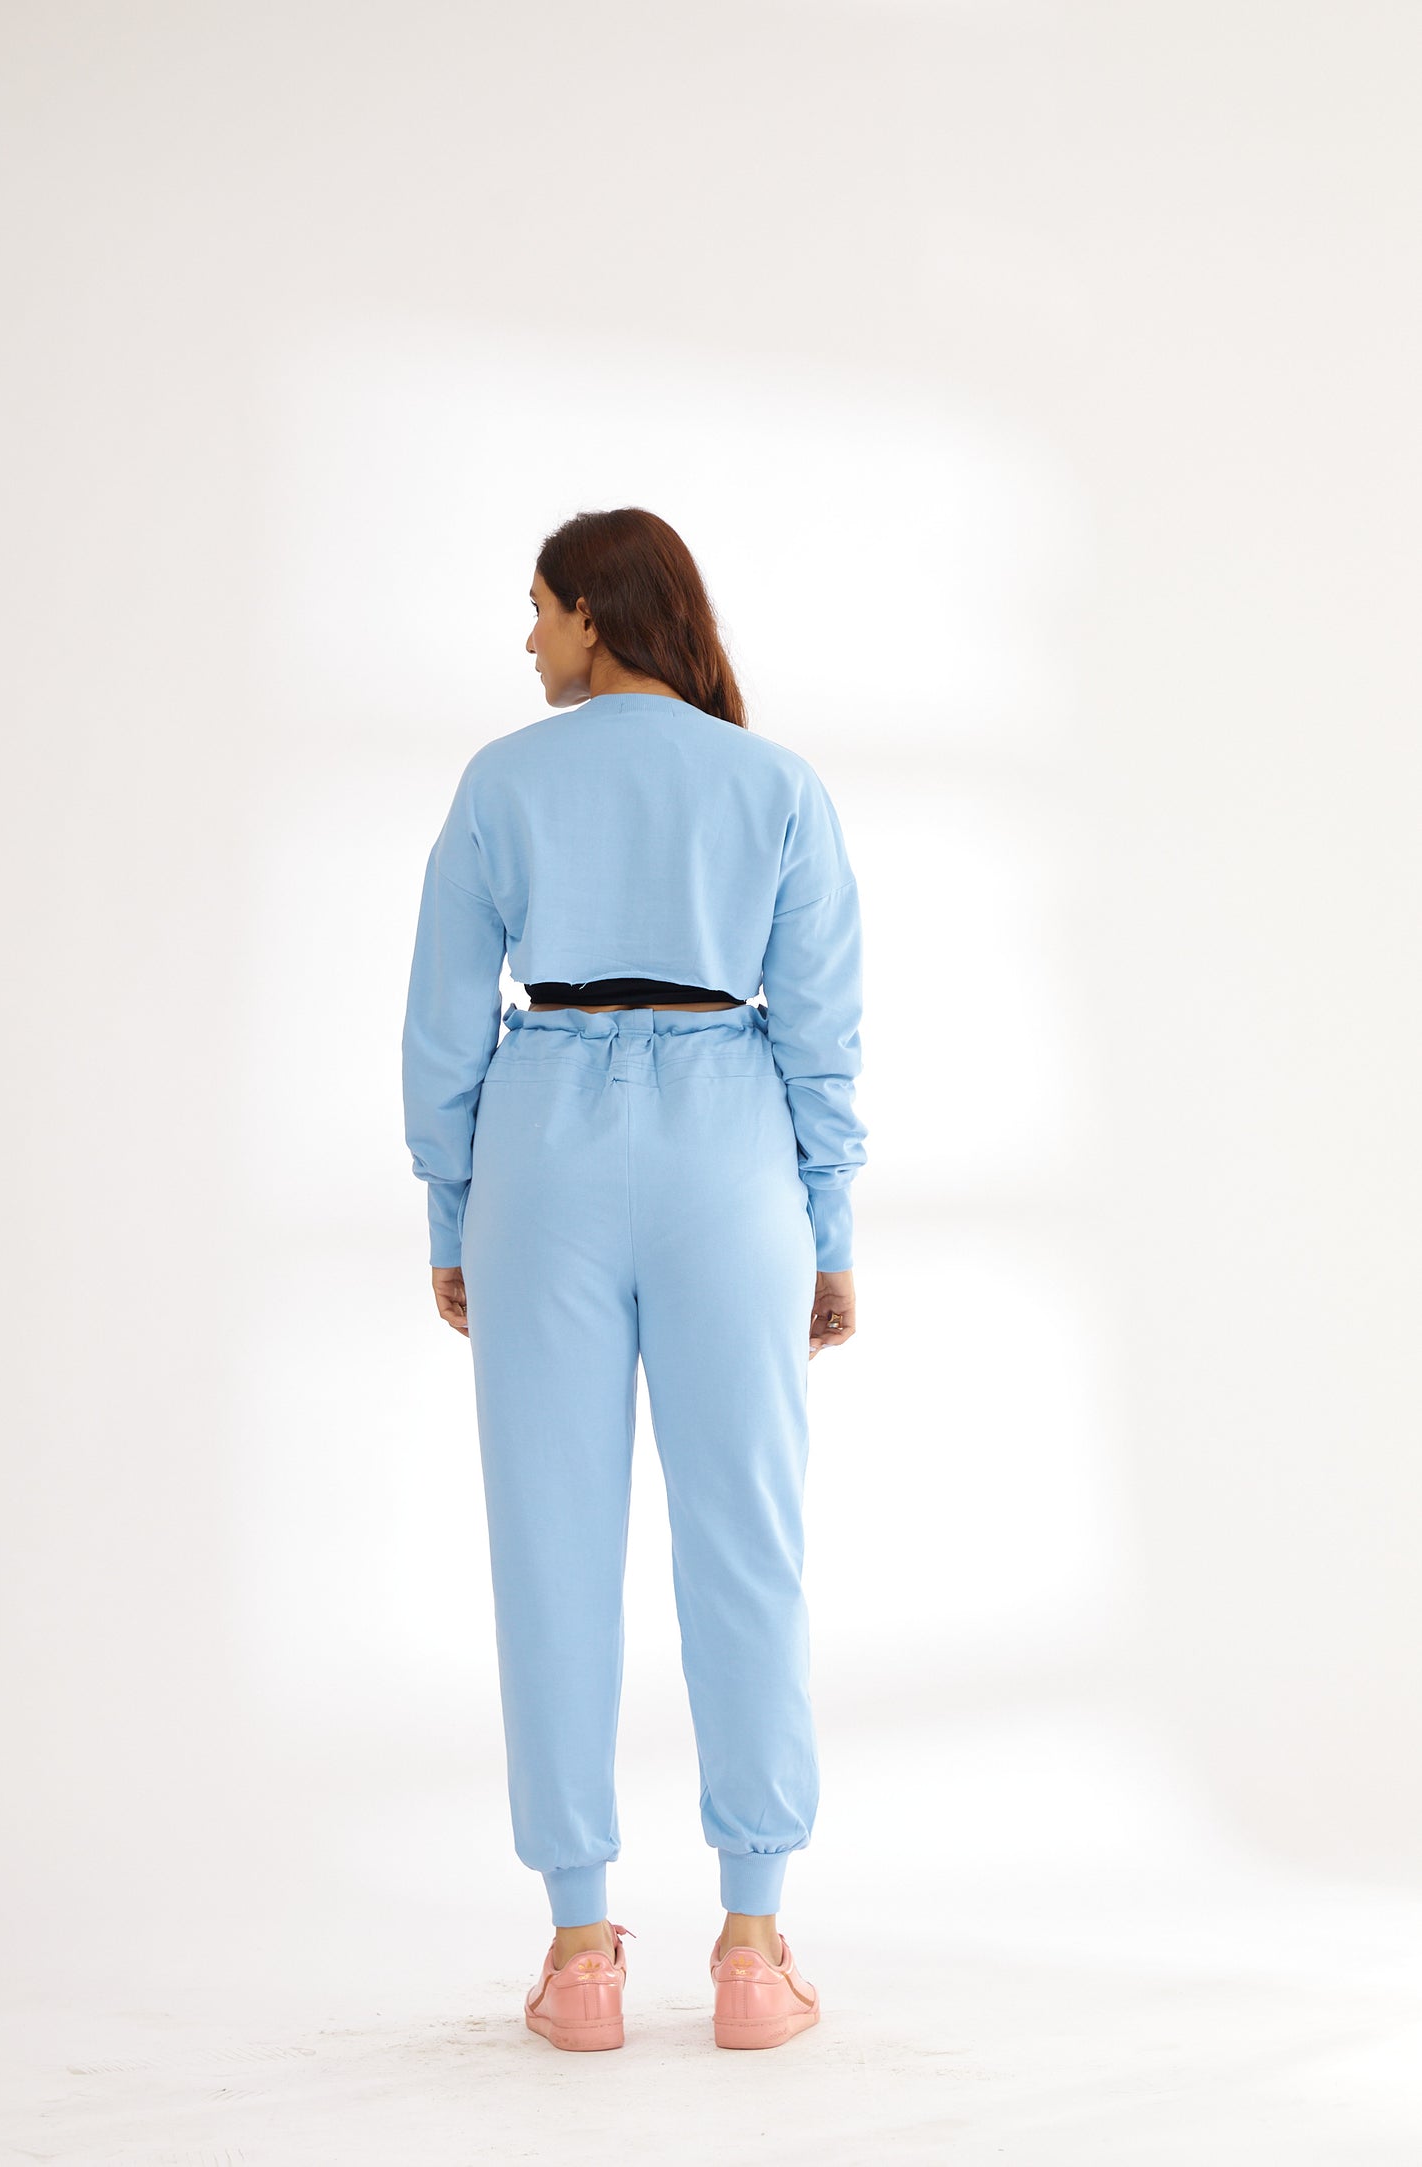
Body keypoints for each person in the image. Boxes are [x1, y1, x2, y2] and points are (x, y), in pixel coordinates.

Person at [401, 506, 866, 2052]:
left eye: (539, 608)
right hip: (730, 1146)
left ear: (595, 614)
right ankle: (752, 1947)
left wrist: (453, 1206)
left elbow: (443, 1021)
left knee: (549, 1542)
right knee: (749, 1539)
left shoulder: (501, 781)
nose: (528, 637)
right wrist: (828, 1226)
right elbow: (820, 1032)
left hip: (544, 1144)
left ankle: (580, 1950)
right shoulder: (772, 784)